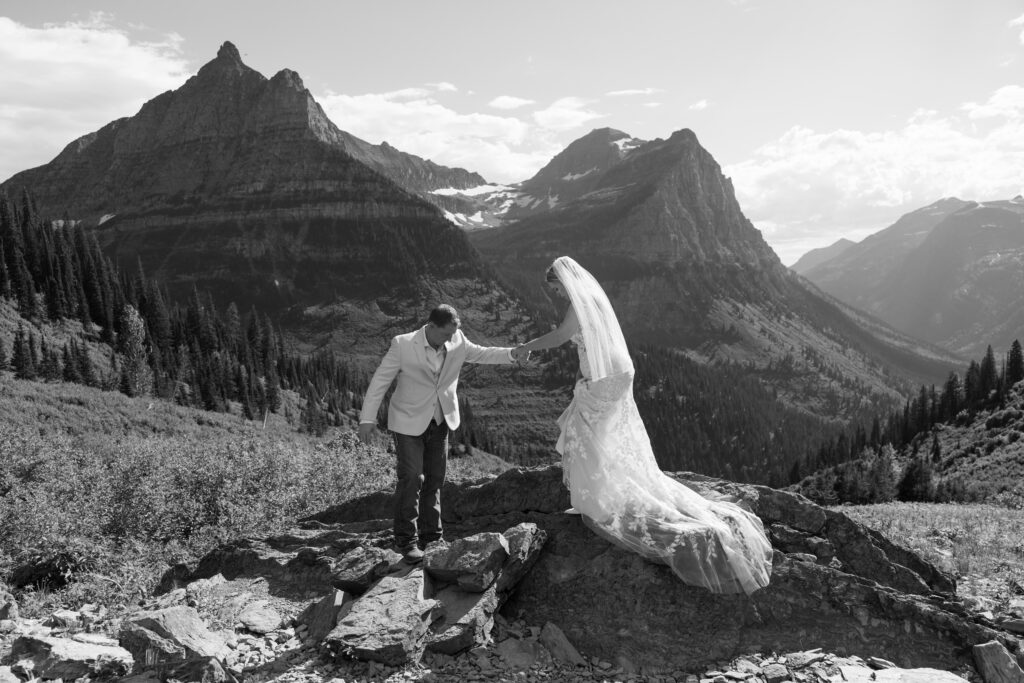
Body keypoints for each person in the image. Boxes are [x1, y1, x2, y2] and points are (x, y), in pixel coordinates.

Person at [517, 256, 773, 594]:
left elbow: (562, 335)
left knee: (585, 434)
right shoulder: (594, 298)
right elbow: (596, 343)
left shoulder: (578, 303)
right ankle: (608, 486)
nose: (559, 295)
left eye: (557, 288)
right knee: (603, 434)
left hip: (605, 380)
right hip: (620, 373)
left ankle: (596, 499)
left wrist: (527, 347)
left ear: (564, 281)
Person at [359, 304, 529, 563]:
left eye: (453, 335)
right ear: (431, 326)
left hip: (440, 421)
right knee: (412, 477)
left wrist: (513, 355)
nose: (450, 340)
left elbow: (481, 354)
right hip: (407, 421)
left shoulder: (456, 338)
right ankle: (406, 541)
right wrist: (367, 418)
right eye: (445, 335)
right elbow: (381, 380)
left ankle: (433, 537)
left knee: (435, 479)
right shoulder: (403, 344)